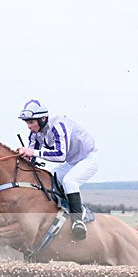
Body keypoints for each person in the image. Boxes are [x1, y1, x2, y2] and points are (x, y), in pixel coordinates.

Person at [16, 100, 99, 240]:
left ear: (43, 119)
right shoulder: (35, 133)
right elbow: (32, 152)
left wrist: (33, 153)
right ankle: (61, 210)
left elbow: (60, 156)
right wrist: (25, 156)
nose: (29, 126)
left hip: (88, 159)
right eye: (27, 123)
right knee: (51, 177)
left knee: (69, 181)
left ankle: (78, 219)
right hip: (72, 162)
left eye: (31, 122)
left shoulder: (58, 126)